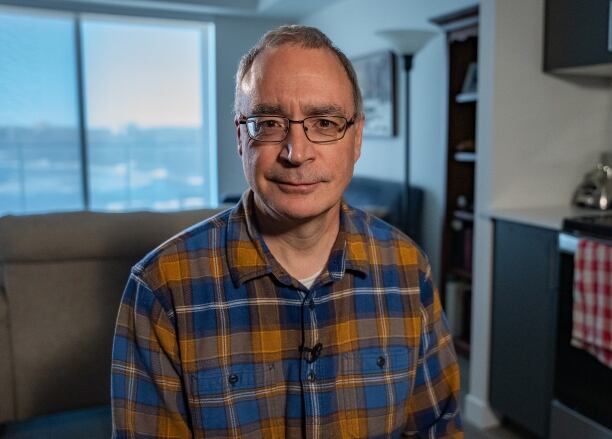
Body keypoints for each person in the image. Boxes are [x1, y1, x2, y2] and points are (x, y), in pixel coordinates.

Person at [111, 24, 462, 438]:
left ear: (357, 138)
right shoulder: (161, 289)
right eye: (270, 122)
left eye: (326, 122)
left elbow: (438, 427)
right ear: (241, 138)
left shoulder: (407, 268)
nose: (296, 152)